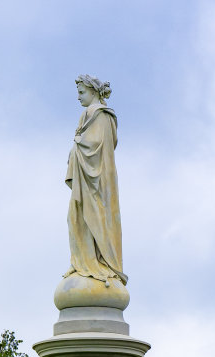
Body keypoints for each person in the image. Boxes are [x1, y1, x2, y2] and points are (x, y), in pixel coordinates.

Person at [64, 75, 127, 288]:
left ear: (93, 92)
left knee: (95, 217)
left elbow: (96, 145)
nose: (78, 97)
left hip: (96, 181)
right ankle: (82, 260)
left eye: (82, 93)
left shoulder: (99, 114)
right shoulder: (88, 114)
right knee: (75, 217)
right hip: (86, 177)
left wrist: (78, 144)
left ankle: (98, 262)